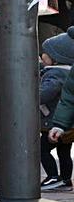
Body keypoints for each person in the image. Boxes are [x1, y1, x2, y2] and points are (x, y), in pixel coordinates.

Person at [39, 31, 74, 192]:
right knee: (64, 152)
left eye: (44, 54)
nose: (41, 57)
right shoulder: (67, 71)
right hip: (68, 125)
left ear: (57, 58)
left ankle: (53, 176)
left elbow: (45, 93)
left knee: (41, 149)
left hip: (54, 123)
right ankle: (66, 180)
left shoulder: (55, 74)